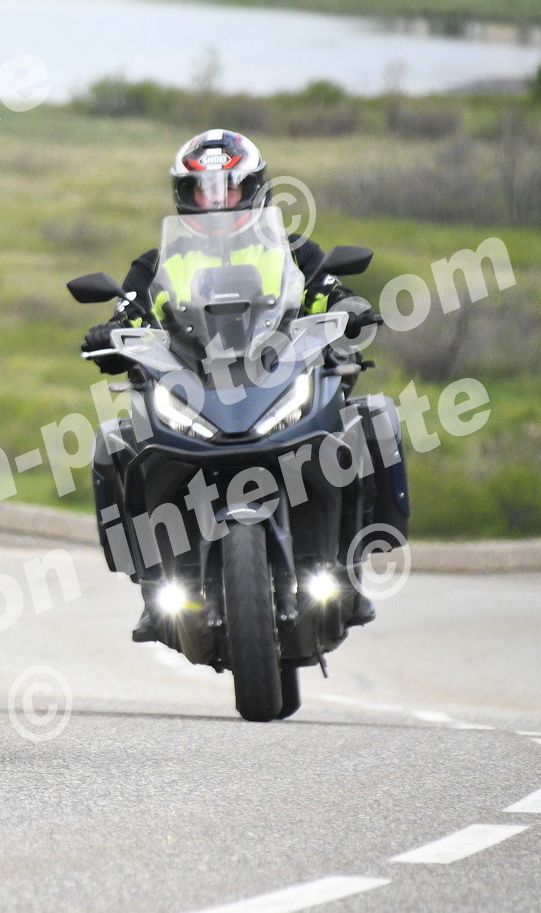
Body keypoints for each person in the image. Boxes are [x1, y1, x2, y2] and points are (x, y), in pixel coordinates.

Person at [79, 129, 376, 641]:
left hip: (274, 378)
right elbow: (127, 312)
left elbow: (330, 290)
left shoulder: (294, 251)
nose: (216, 201)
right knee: (114, 446)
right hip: (194, 391)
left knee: (369, 421)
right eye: (202, 190)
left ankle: (349, 572)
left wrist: (350, 307)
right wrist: (108, 334)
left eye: (228, 188)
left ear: (254, 187)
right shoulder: (154, 265)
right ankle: (152, 588)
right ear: (182, 194)